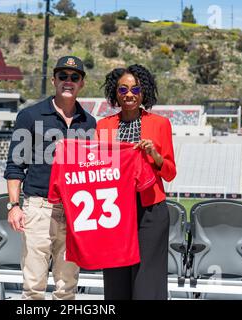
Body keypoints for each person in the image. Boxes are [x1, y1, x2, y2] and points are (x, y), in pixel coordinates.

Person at [4, 56, 96, 300]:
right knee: (34, 286)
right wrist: (14, 205)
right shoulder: (30, 116)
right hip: (39, 208)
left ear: (81, 83)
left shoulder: (89, 123)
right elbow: (15, 165)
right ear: (54, 79)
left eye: (74, 77)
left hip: (76, 211)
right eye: (63, 76)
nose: (68, 81)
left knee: (67, 287)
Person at [95, 64, 177, 300]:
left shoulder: (160, 124)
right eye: (123, 89)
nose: (129, 94)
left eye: (135, 89)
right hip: (114, 211)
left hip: (150, 211)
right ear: (115, 93)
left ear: (144, 92)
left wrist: (154, 154)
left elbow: (170, 173)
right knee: (115, 279)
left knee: (147, 282)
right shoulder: (104, 126)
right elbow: (98, 167)